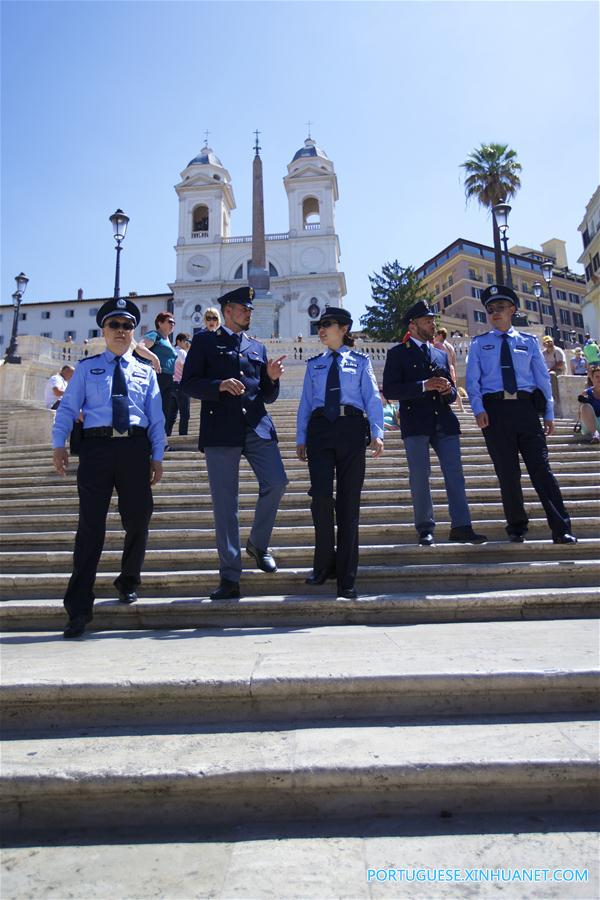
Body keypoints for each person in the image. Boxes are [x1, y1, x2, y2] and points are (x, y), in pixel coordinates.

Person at [52, 296, 165, 639]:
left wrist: (158, 455)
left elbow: (157, 418)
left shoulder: (146, 372)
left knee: (138, 518)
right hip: (97, 448)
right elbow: (69, 408)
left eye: (127, 325)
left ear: (134, 332)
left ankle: (128, 579)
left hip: (134, 448)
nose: (120, 331)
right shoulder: (87, 369)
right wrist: (59, 444)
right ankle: (78, 608)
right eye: (114, 325)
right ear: (103, 330)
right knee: (90, 528)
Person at [180, 285, 288, 600]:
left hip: (256, 426)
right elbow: (188, 384)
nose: (250, 313)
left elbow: (267, 395)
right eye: (245, 308)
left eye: (251, 309)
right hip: (220, 429)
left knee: (277, 481)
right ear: (228, 310)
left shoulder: (257, 347)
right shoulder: (204, 341)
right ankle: (229, 576)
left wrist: (272, 378)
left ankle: (258, 543)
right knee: (226, 505)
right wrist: (219, 385)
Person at [465, 284, 576, 544]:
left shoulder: (528, 342)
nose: (495, 313)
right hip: (495, 412)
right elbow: (473, 381)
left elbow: (542, 379)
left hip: (526, 410)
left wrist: (548, 412)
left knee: (542, 470)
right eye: (490, 309)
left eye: (500, 308)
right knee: (507, 472)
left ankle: (561, 528)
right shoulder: (480, 344)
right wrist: (478, 408)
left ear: (512, 310)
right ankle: (516, 526)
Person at [297, 307, 384, 599]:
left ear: (344, 328)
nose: (321, 329)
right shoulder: (314, 364)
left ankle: (346, 577)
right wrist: (301, 437)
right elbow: (307, 403)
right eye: (319, 325)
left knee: (349, 504)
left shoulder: (360, 361)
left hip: (351, 429)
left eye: (327, 324)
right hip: (321, 430)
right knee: (321, 498)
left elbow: (372, 397)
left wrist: (378, 432)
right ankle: (323, 564)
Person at [382, 300, 485, 547]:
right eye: (427, 320)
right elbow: (391, 389)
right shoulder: (398, 353)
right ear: (413, 324)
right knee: (420, 476)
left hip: (444, 422)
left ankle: (461, 525)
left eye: (432, 320)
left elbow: (451, 394)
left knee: (455, 474)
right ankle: (425, 528)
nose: (432, 324)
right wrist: (423, 386)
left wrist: (448, 390)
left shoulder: (440, 353)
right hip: (415, 421)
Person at [135, 311, 178, 418]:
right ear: (160, 323)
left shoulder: (167, 340)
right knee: (155, 410)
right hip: (158, 377)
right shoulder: (155, 335)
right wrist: (154, 358)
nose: (173, 324)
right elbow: (139, 347)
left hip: (169, 378)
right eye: (170, 321)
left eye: (174, 322)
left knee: (165, 411)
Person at [165, 332, 192, 437]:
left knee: (171, 415)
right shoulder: (182, 352)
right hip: (181, 385)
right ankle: (182, 436)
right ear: (179, 341)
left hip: (171, 386)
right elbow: (188, 368)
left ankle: (166, 436)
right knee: (185, 414)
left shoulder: (171, 351)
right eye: (186, 341)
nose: (188, 344)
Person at [434, 327, 464, 412]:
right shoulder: (450, 346)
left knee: (442, 388)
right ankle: (461, 408)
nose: (435, 336)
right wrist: (455, 373)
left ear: (440, 335)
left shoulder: (437, 345)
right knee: (453, 387)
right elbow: (454, 362)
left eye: (436, 335)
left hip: (443, 368)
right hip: (451, 368)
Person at [578, 363, 600, 443]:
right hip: (590, 424)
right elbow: (580, 413)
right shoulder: (586, 392)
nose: (599, 379)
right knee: (585, 406)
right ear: (592, 379)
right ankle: (595, 434)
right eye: (597, 377)